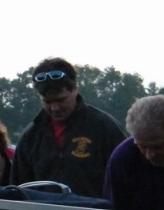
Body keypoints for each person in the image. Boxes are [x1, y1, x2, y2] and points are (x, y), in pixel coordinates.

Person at [10, 57, 126, 198]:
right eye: (47, 102)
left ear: (74, 89)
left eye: (60, 100)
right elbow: (18, 189)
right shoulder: (30, 136)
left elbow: (126, 179)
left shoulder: (104, 128)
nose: (55, 108)